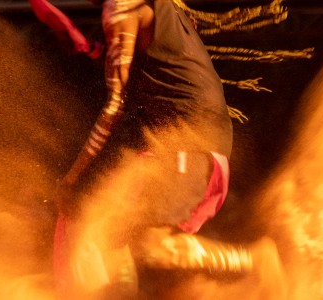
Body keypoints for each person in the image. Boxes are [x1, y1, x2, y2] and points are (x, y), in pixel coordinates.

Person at [30, 0, 260, 298]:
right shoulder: (150, 7)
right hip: (202, 154)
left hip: (183, 150)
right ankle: (250, 263)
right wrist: (91, 49)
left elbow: (114, 106)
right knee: (129, 237)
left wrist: (73, 177)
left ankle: (252, 262)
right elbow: (150, 72)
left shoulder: (121, 7)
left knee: (94, 221)